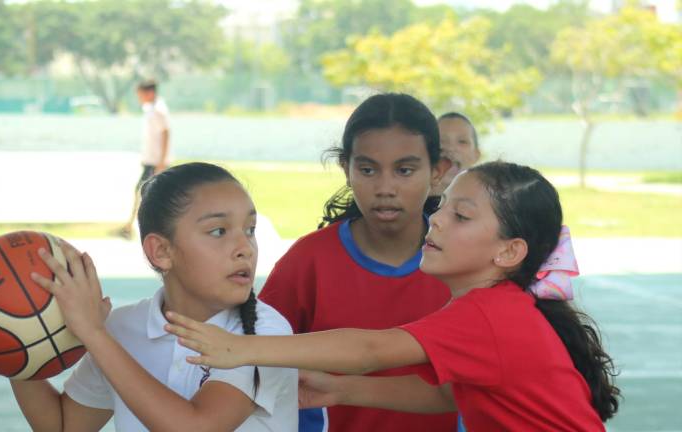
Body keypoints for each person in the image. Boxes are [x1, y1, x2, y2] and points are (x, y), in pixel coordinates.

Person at [165, 161, 621, 431]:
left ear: (509, 251)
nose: (437, 220)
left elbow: (370, 348)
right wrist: (342, 389)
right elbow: (449, 397)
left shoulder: (489, 313)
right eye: (442, 206)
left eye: (461, 216)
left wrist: (240, 348)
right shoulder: (489, 309)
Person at [11, 162, 298, 431]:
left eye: (250, 230)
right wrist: (10, 336)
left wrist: (94, 335)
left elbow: (196, 427)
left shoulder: (264, 333)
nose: (244, 247)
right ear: (161, 251)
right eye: (219, 231)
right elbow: (64, 425)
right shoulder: (122, 328)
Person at [257, 93, 456, 432]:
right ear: (345, 170)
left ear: (437, 172)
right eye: (367, 169)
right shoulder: (308, 262)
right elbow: (260, 363)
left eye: (405, 170)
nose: (385, 187)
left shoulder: (464, 265)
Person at [116, 79, 171, 239]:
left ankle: (131, 227)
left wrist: (161, 161)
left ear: (150, 93)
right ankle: (132, 226)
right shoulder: (150, 109)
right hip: (150, 161)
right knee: (147, 195)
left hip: (155, 163)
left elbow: (165, 134)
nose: (139, 97)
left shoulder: (158, 111)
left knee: (144, 193)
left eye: (141, 94)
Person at [425, 112, 481, 214]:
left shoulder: (487, 210)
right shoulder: (411, 209)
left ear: (476, 155)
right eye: (440, 141)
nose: (450, 148)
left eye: (462, 141)